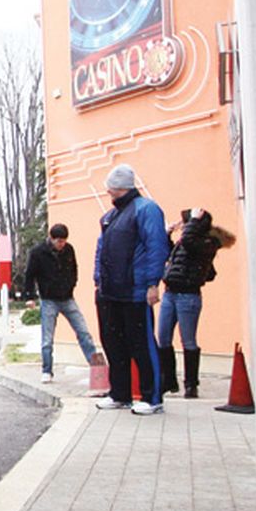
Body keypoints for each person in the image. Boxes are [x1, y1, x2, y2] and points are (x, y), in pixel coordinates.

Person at [94, 163, 170, 415]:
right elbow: (100, 250)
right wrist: (98, 280)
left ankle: (152, 397)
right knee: (114, 345)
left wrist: (152, 284)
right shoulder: (110, 217)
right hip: (110, 292)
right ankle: (120, 394)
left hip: (135, 291)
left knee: (142, 345)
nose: (109, 194)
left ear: (121, 188)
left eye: (111, 189)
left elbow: (156, 248)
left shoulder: (146, 209)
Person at [156, 208, 236, 398]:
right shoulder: (188, 242)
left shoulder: (207, 243)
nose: (183, 225)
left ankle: (191, 385)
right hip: (170, 293)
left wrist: (192, 221)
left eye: (187, 222)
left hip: (188, 296)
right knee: (163, 338)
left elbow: (189, 241)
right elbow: (170, 253)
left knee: (188, 340)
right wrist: (167, 234)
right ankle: (169, 381)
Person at [23, 223, 102, 383]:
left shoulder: (69, 250)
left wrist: (71, 285)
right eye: (59, 241)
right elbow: (29, 275)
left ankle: (97, 369)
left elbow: (74, 269)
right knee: (47, 338)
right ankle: (47, 370)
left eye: (64, 241)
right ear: (51, 239)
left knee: (83, 332)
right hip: (48, 299)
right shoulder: (38, 252)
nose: (62, 244)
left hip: (67, 298)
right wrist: (29, 297)